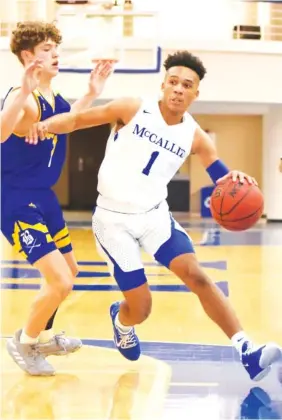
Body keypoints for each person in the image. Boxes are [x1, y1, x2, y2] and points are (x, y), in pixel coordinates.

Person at [26, 50, 281, 381]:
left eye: (186, 85)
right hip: (112, 220)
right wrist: (44, 125)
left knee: (198, 276)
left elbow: (221, 176)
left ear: (195, 93)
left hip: (154, 216)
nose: (178, 89)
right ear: (163, 85)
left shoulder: (195, 137)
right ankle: (122, 320)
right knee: (141, 308)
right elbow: (76, 121)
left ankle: (248, 351)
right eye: (173, 82)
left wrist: (237, 178)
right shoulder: (131, 107)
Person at [1, 21, 114, 376]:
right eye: (46, 50)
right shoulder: (23, 98)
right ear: (27, 56)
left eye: (55, 49)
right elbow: (3, 131)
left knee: (71, 272)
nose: (55, 55)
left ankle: (42, 336)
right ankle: (23, 343)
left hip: (44, 198)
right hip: (15, 198)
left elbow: (69, 119)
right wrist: (21, 90)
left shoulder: (54, 100)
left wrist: (92, 92)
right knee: (60, 281)